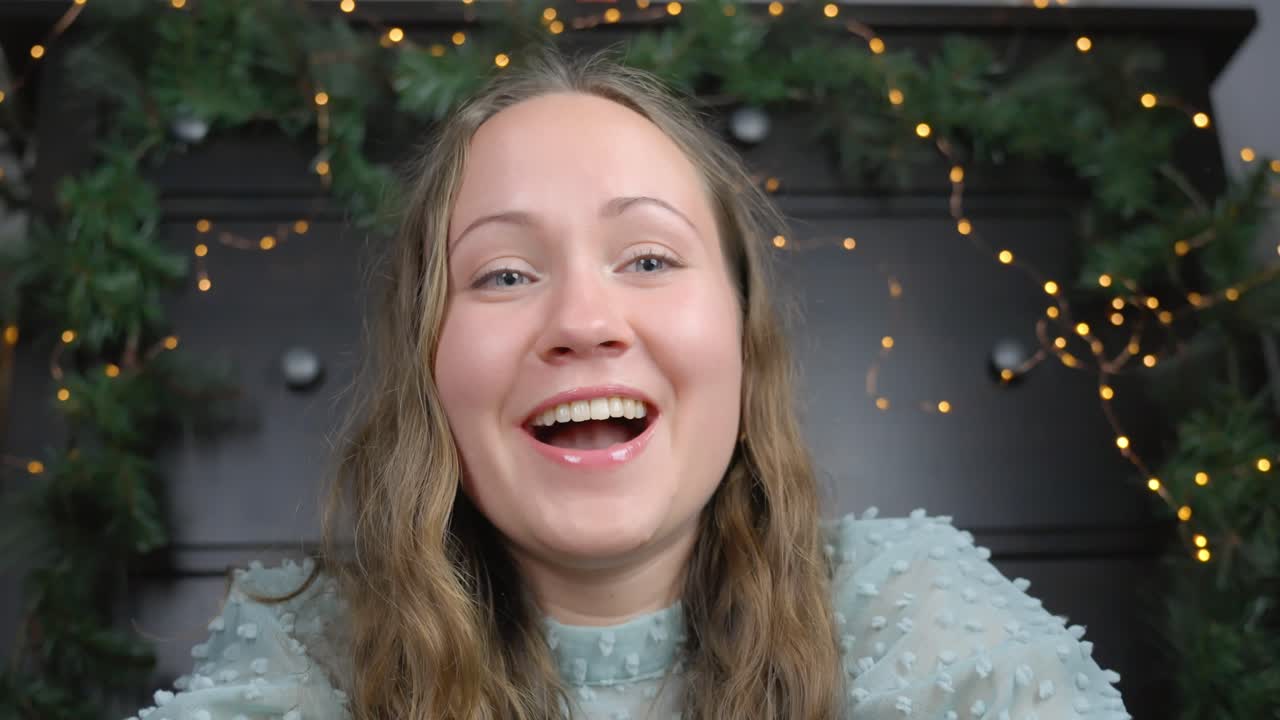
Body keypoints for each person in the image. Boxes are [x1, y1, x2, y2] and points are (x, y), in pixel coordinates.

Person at [124, 46, 1130, 720]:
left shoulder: (906, 602)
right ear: (427, 367)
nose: (581, 323)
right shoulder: (300, 645)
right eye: (504, 274)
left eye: (647, 258)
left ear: (740, 335)